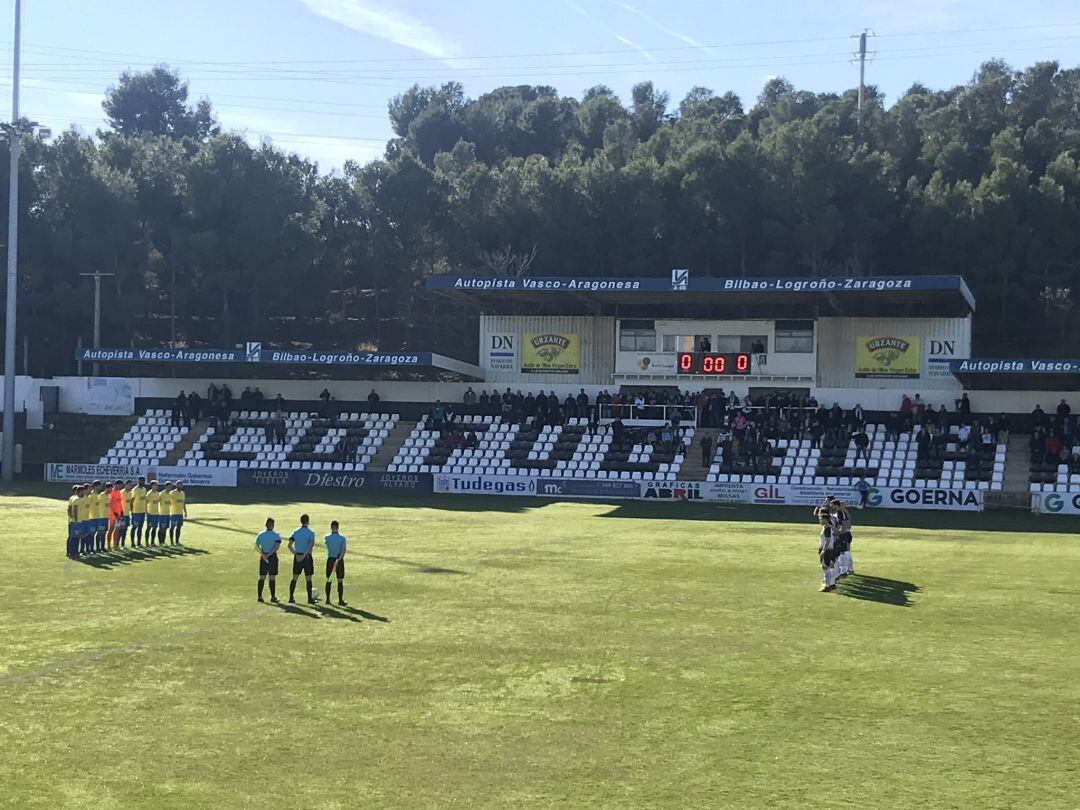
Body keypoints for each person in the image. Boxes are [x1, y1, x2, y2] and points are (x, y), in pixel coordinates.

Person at [286, 514, 318, 604]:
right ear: (308, 521)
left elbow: (289, 545)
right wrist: (304, 555)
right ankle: (309, 599)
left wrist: (296, 554)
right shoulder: (311, 533)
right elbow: (310, 546)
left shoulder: (295, 532)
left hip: (297, 558)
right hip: (307, 557)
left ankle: (291, 597)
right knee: (308, 579)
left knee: (295, 578)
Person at [255, 518, 282, 603]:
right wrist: (269, 554)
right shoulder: (276, 535)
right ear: (272, 525)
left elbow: (256, 546)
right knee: (272, 577)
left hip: (263, 557)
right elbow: (276, 547)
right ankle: (273, 597)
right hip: (272, 557)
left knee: (262, 577)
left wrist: (263, 555)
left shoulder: (260, 534)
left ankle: (259, 596)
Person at [324, 520, 348, 606]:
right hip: (339, 560)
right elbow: (343, 550)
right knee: (340, 580)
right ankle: (340, 600)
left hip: (330, 559)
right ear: (338, 527)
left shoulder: (327, 538)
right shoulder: (342, 538)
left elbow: (327, 544)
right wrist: (339, 559)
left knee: (329, 580)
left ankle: (327, 599)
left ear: (331, 527)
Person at [817, 511, 837, 593]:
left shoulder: (827, 528)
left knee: (825, 567)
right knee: (829, 566)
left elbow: (827, 541)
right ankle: (832, 584)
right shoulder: (829, 527)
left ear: (825, 519)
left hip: (827, 550)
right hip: (829, 549)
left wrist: (823, 551)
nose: (819, 521)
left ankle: (827, 586)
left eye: (820, 519)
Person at [130, 476, 148, 547]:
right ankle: (132, 543)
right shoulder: (135, 490)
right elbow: (131, 501)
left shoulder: (144, 489)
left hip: (142, 512)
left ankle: (139, 543)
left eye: (144, 481)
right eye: (141, 481)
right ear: (138, 481)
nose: (143, 482)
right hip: (136, 512)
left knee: (140, 528)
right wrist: (131, 510)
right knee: (134, 527)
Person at [107, 480, 124, 549]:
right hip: (112, 515)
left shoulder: (119, 493)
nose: (121, 487)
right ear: (116, 485)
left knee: (117, 530)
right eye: (120, 485)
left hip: (119, 515)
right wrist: (114, 513)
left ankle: (115, 545)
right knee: (111, 530)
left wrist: (121, 511)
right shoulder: (111, 492)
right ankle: (108, 545)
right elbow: (110, 505)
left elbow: (120, 503)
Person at [118, 480, 134, 549]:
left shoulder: (130, 493)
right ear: (126, 485)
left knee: (125, 529)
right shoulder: (121, 492)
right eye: (129, 485)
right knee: (120, 530)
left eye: (131, 485)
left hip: (127, 514)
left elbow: (130, 503)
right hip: (121, 515)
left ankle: (122, 544)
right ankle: (117, 544)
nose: (131, 486)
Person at [145, 481, 162, 547]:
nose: (156, 486)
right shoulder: (149, 493)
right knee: (149, 528)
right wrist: (146, 512)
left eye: (157, 485)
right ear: (152, 486)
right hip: (150, 514)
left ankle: (152, 542)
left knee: (154, 528)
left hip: (156, 513)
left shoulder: (157, 493)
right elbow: (145, 503)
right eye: (155, 485)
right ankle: (147, 542)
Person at [66, 485, 81, 559]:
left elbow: (69, 508)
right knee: (75, 538)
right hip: (76, 521)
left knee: (71, 537)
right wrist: (75, 520)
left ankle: (69, 552)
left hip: (71, 520)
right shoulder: (77, 499)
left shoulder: (71, 498)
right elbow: (74, 510)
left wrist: (70, 516)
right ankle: (73, 553)